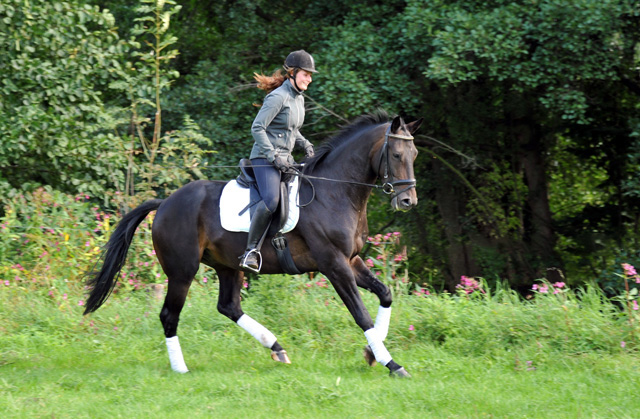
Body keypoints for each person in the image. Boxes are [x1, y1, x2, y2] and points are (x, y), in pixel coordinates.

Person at [239, 50, 317, 273]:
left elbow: (292, 130)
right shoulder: (277, 97)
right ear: (292, 73)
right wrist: (272, 155)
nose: (309, 79)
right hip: (264, 159)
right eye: (306, 74)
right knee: (272, 200)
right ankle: (251, 251)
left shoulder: (298, 98)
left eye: (311, 75)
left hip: (286, 160)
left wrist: (305, 144)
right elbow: (257, 128)